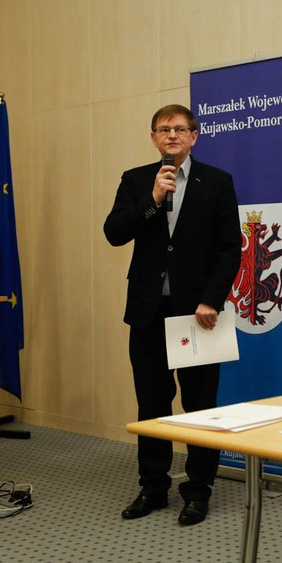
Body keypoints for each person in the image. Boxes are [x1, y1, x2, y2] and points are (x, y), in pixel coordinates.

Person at [103, 104, 241, 526]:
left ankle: (198, 490)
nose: (172, 136)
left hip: (198, 314)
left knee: (200, 406)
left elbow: (230, 249)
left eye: (180, 129)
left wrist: (211, 299)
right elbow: (114, 232)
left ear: (194, 136)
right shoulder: (136, 180)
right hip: (148, 312)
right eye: (163, 129)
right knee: (151, 403)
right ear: (153, 138)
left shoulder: (217, 181)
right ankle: (153, 486)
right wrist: (153, 199)